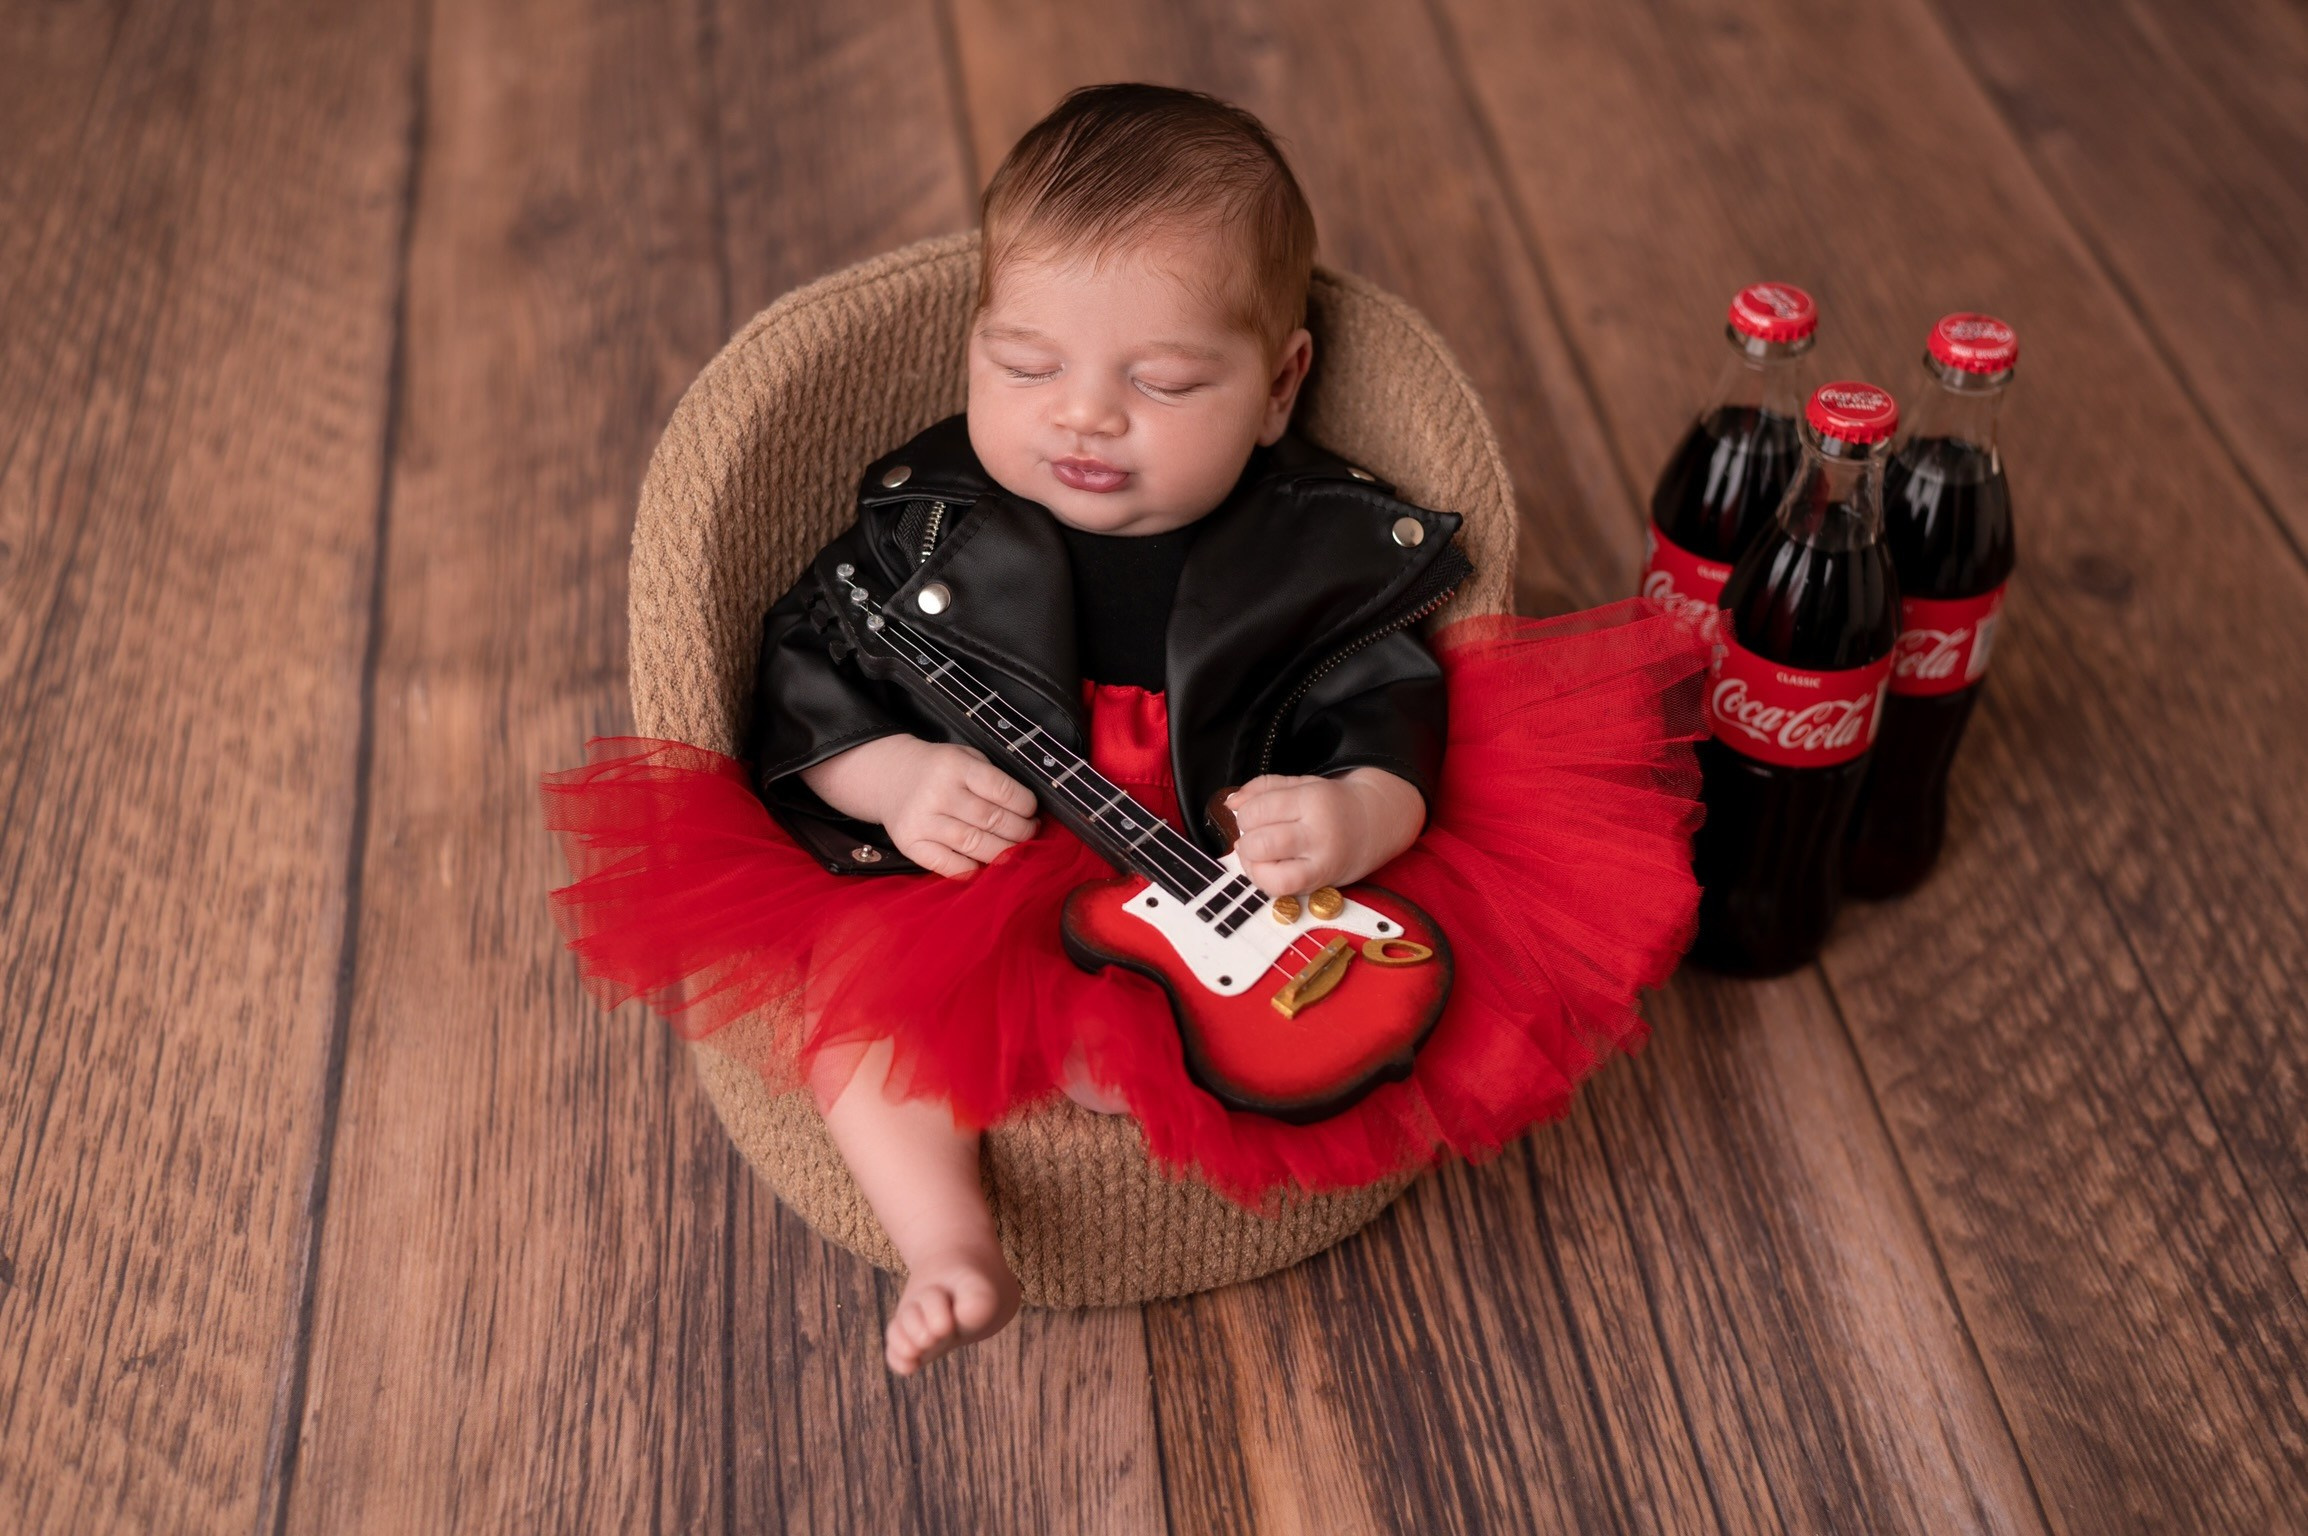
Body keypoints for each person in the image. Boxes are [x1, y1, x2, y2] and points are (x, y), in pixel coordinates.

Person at [542, 84, 1713, 1375]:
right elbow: (805, 668)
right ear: (972, 344)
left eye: (1160, 382)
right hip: (977, 868)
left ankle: (1120, 1080)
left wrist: (1348, 815)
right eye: (1026, 366)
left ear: (1280, 388)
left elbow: (1389, 702)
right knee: (860, 1008)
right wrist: (893, 780)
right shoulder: (927, 528)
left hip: (1236, 875)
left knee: (1334, 999)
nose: (1083, 415)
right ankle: (948, 1241)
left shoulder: (1306, 552)